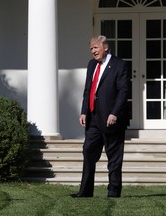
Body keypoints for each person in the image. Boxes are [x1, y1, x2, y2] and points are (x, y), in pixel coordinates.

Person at [71, 35, 130, 198]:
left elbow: (123, 91)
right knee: (88, 152)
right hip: (93, 118)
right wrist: (84, 111)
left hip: (112, 118)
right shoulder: (91, 65)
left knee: (114, 157)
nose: (93, 51)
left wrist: (115, 113)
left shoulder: (119, 65)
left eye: (95, 47)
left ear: (105, 47)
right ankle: (85, 191)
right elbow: (87, 90)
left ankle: (113, 192)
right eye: (91, 48)